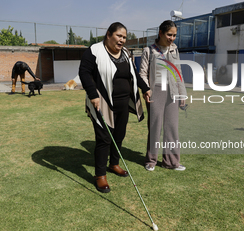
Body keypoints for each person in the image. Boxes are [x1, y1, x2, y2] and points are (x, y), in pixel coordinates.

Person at [79, 22, 151, 193]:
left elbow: (133, 73)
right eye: (119, 36)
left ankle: (114, 164)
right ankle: (100, 175)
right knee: (104, 138)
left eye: (125, 37)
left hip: (123, 102)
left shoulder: (126, 53)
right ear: (109, 34)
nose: (122, 40)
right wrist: (93, 94)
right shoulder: (94, 51)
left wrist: (145, 88)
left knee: (119, 135)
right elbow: (84, 72)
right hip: (101, 102)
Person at [139, 20, 187, 172]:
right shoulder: (149, 50)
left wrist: (182, 94)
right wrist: (146, 90)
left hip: (172, 92)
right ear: (160, 33)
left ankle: (172, 162)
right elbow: (143, 73)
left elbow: (178, 73)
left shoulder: (174, 50)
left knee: (172, 127)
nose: (172, 38)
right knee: (155, 127)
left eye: (174, 35)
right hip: (156, 92)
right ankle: (151, 161)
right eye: (169, 34)